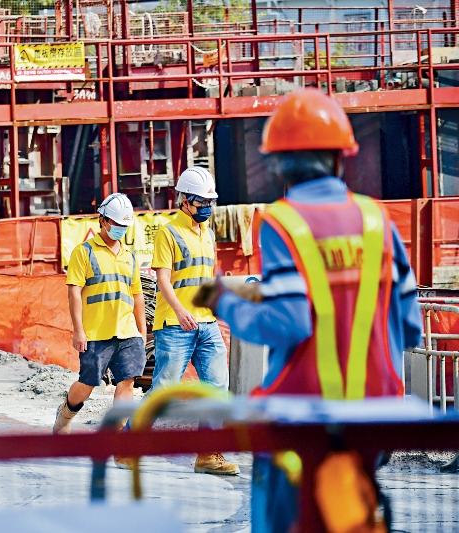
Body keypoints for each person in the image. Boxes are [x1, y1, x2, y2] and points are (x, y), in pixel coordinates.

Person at [194, 89, 423, 531]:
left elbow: (289, 322)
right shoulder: (377, 219)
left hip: (301, 418)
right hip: (376, 416)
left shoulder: (285, 222)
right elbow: (410, 327)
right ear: (342, 157)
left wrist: (225, 302)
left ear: (278, 165)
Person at [138, 167, 238, 475]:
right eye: (200, 202)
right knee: (163, 389)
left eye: (209, 202)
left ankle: (208, 454)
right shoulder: (169, 232)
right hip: (175, 325)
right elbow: (163, 281)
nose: (206, 208)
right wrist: (181, 311)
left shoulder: (207, 234)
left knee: (218, 386)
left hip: (206, 324)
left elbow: (203, 279)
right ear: (184, 201)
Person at [53, 193, 148, 434]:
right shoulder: (83, 252)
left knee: (127, 381)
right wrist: (79, 331)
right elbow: (74, 292)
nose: (120, 229)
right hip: (96, 333)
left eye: (124, 226)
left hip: (127, 331)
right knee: (87, 384)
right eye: (116, 224)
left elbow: (137, 296)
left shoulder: (130, 256)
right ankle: (65, 413)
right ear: (103, 220)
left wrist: (142, 331)